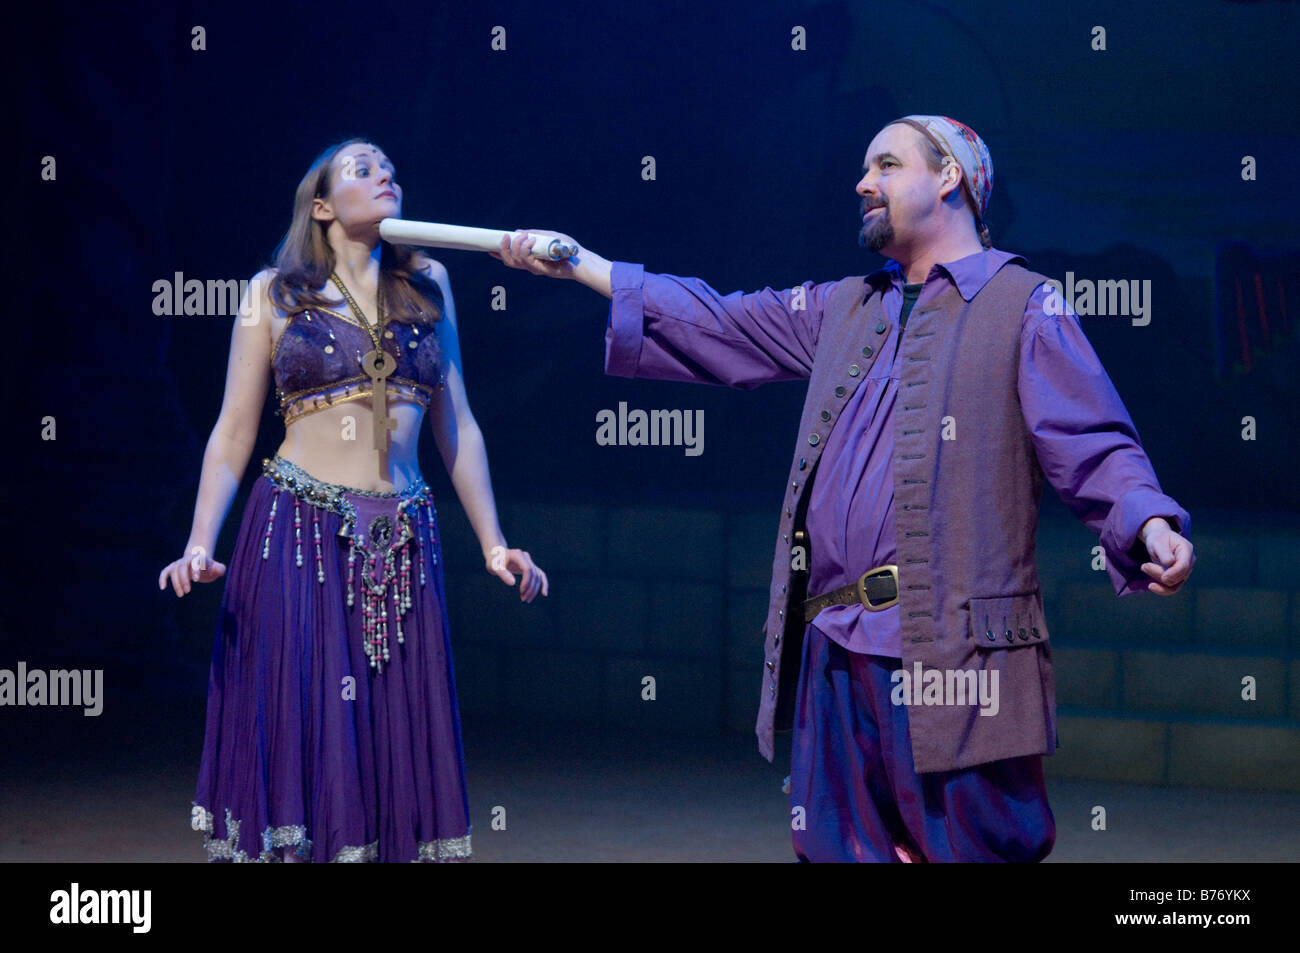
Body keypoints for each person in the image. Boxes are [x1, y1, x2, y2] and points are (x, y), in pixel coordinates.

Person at [492, 114, 1195, 862]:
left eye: (886, 165)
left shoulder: (1023, 304)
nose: (863, 183)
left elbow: (1092, 439)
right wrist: (581, 265)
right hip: (835, 643)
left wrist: (1150, 524)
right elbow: (720, 321)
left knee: (969, 847)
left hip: (956, 653)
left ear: (949, 176)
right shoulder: (845, 305)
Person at [159, 138, 548, 863]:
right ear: (323, 206)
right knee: (310, 724)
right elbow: (233, 432)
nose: (384, 175)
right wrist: (199, 540)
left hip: (404, 537)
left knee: (390, 728)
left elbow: (457, 423)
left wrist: (495, 541)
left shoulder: (428, 284)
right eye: (362, 169)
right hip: (295, 530)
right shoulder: (273, 292)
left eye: (390, 168)